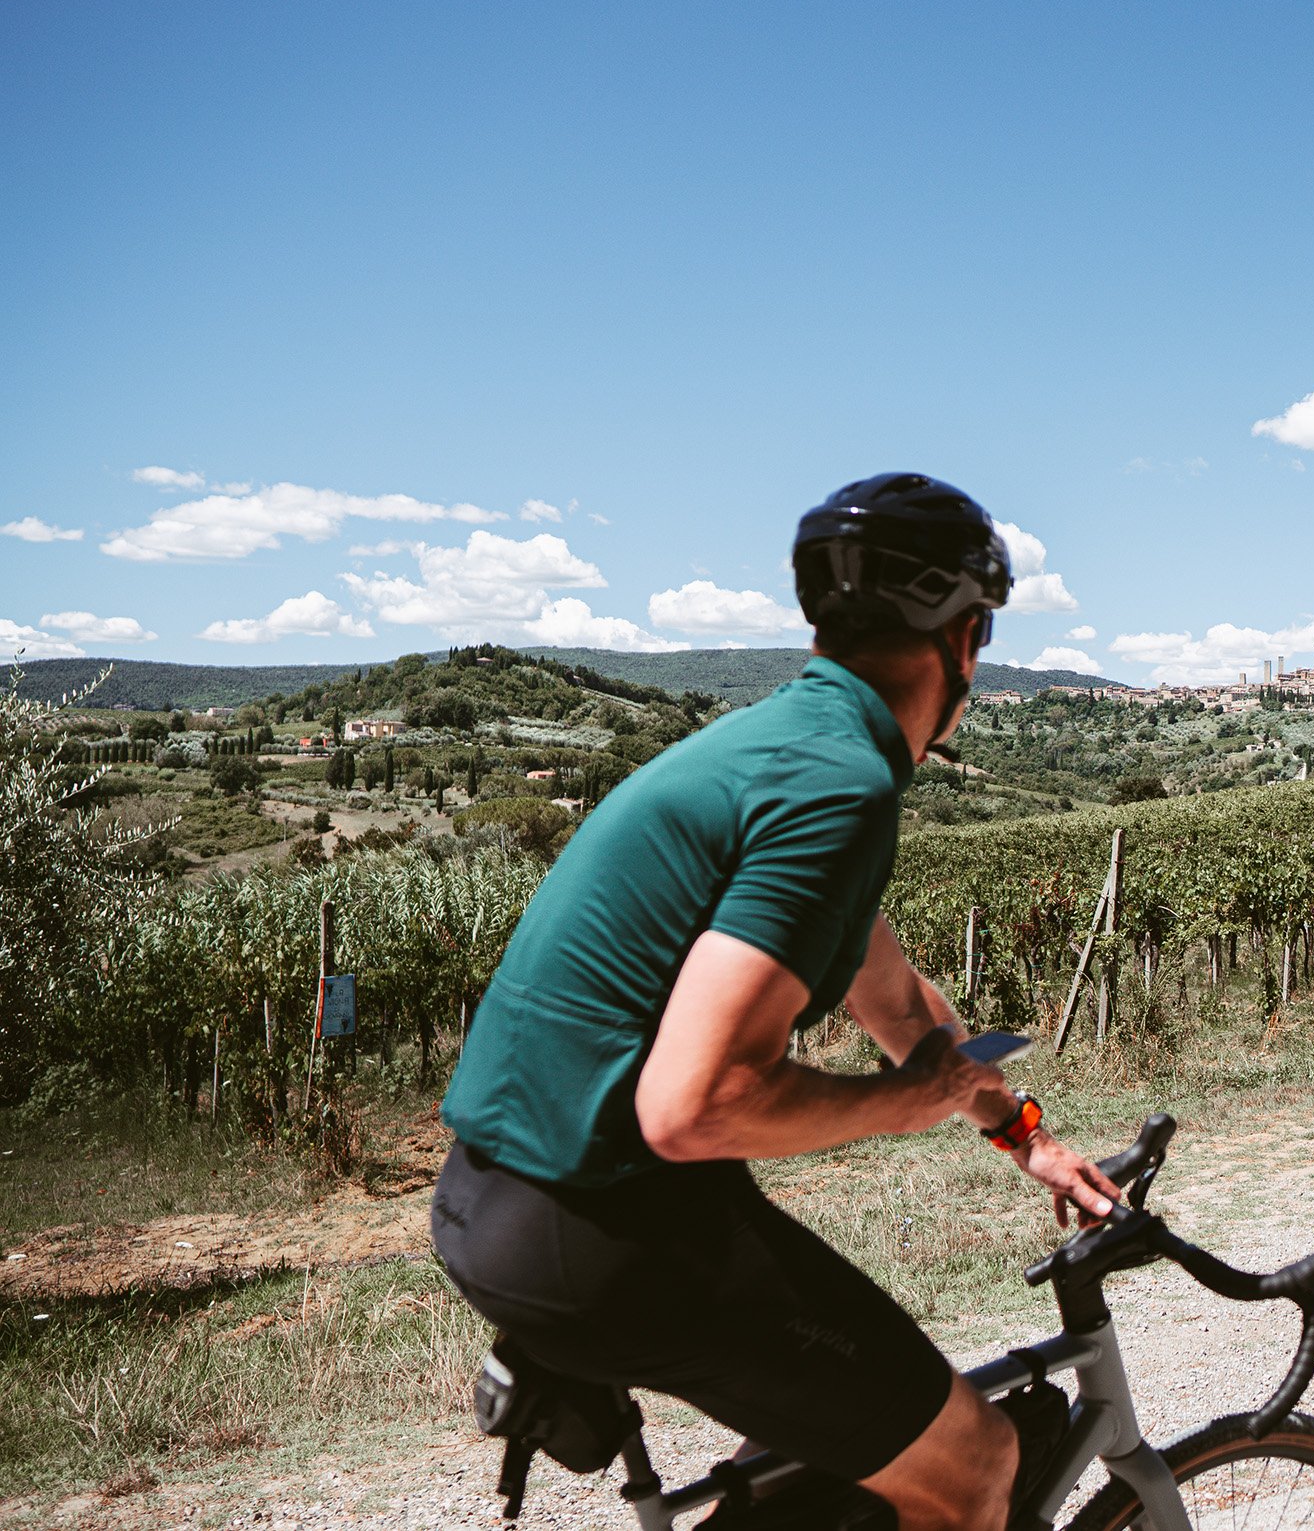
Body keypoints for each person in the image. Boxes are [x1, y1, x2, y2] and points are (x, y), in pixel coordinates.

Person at [431, 472, 1120, 1531]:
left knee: (835, 1457)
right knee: (974, 1462)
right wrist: (906, 1105)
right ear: (968, 639)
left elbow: (892, 1000)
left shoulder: (786, 750)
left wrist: (1021, 1130)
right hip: (604, 1223)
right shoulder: (838, 786)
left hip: (501, 1199)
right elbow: (694, 1103)